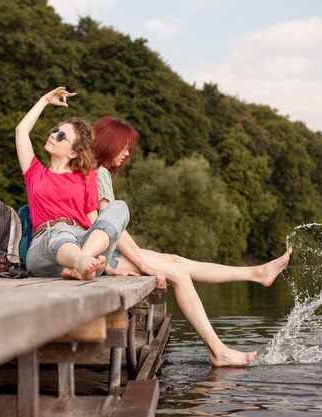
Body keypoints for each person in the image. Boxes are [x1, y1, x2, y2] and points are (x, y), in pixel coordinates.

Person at [93, 116, 293, 366]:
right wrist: (144, 265)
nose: (127, 153)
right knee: (178, 272)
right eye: (125, 146)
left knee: (177, 261)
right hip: (103, 256)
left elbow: (115, 229)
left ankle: (257, 272)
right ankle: (218, 351)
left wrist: (141, 258)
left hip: (103, 252)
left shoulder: (96, 172)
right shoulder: (99, 173)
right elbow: (112, 229)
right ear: (109, 142)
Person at [15, 88, 130, 281]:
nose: (53, 135)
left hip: (82, 242)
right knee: (60, 228)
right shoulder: (35, 172)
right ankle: (80, 262)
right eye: (55, 130)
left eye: (61, 136)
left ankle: (81, 263)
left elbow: (94, 221)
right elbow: (21, 131)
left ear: (73, 153)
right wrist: (44, 100)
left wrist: (107, 266)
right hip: (45, 249)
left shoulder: (87, 176)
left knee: (120, 207)